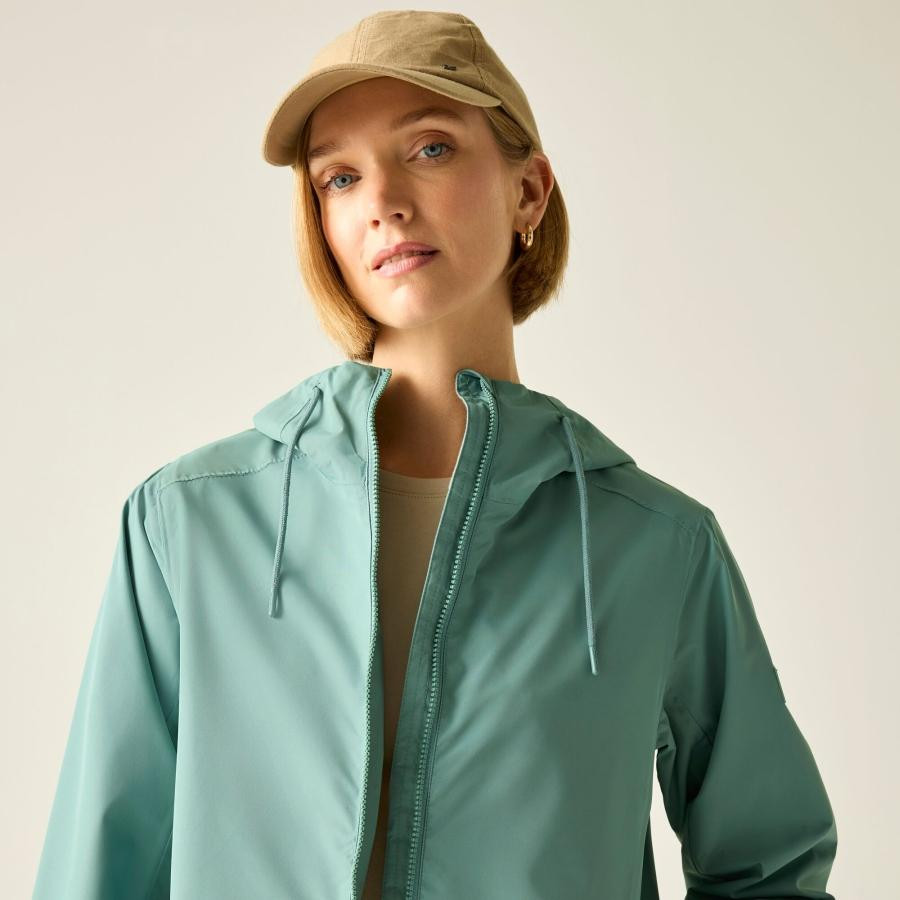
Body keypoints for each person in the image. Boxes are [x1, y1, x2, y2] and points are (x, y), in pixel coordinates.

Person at [32, 10, 838, 899]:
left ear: (529, 191)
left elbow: (770, 868)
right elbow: (96, 873)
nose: (382, 200)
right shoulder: (189, 523)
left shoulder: (654, 546)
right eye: (340, 177)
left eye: (430, 149)